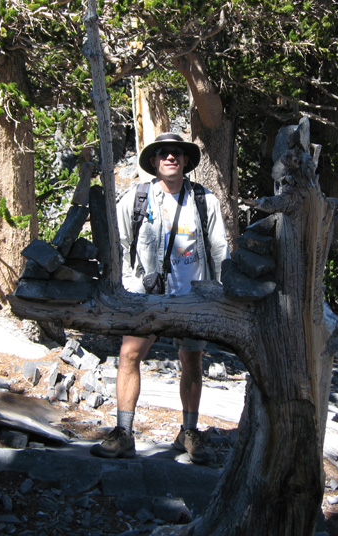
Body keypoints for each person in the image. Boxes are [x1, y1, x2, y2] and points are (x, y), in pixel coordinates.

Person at [90, 132, 230, 463]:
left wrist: (218, 291)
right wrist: (127, 282)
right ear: (154, 162)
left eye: (177, 154)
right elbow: (119, 240)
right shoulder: (137, 197)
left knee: (191, 361)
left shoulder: (203, 199)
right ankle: (124, 432)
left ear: (185, 161)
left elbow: (219, 246)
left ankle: (188, 431)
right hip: (146, 296)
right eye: (164, 153)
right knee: (129, 355)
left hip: (192, 295)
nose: (171, 158)